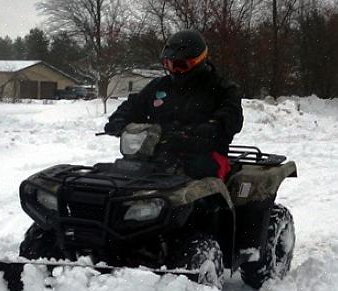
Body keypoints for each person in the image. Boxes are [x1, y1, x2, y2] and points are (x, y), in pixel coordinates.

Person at [104, 30, 244, 179]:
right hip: (157, 153)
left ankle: (210, 203)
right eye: (168, 64)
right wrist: (119, 120)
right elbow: (134, 105)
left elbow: (231, 117)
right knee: (123, 173)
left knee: (191, 178)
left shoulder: (221, 88)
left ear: (198, 61)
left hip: (205, 155)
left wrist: (209, 128)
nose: (174, 70)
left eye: (180, 65)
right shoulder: (158, 86)